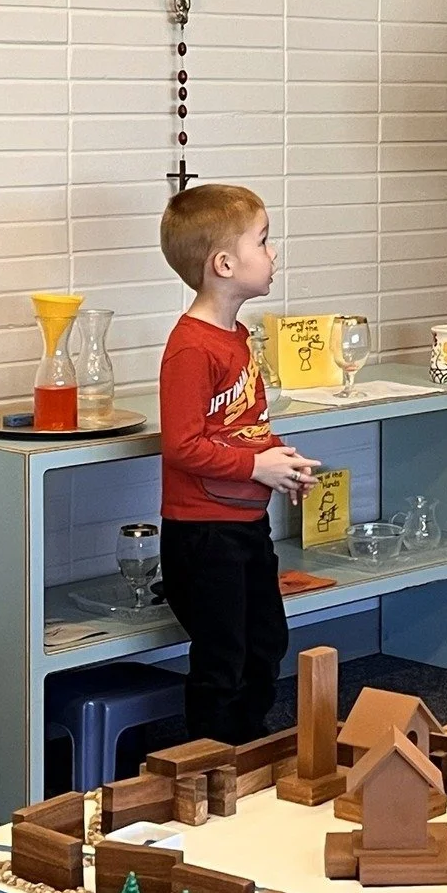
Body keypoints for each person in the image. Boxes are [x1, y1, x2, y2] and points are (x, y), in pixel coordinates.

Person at [158, 183, 319, 743]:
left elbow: (243, 426)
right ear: (224, 264)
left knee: (265, 644)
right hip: (203, 536)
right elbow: (182, 446)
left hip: (247, 526)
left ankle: (249, 752)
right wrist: (256, 469)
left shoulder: (239, 339)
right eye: (263, 241)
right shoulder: (191, 347)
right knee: (222, 660)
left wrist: (280, 460)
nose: (274, 253)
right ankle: (212, 765)